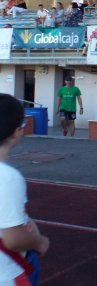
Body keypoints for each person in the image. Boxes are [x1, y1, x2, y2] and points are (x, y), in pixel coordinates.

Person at [0, 94, 50, 286]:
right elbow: (13, 239)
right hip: (7, 273)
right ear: (16, 131)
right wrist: (40, 242)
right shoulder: (8, 177)